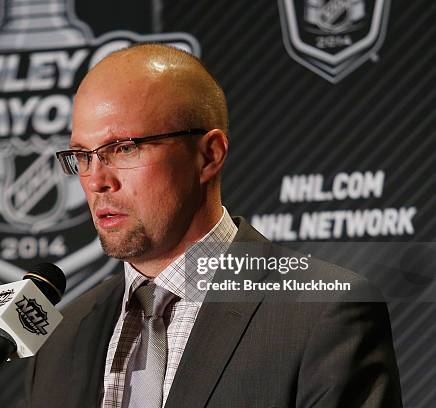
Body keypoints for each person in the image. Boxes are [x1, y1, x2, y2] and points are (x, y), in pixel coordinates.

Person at [24, 43, 402, 408]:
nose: (96, 180)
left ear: (209, 155)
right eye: (82, 156)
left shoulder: (321, 312)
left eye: (124, 149)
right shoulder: (60, 339)